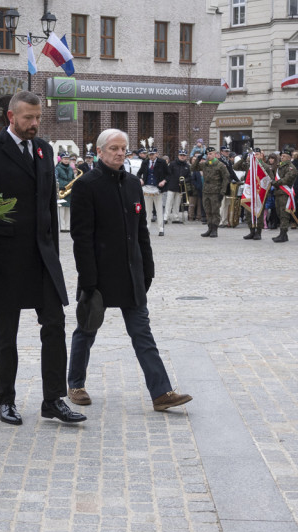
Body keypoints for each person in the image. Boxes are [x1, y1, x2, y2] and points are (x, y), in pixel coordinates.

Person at [0, 90, 86, 426]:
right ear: (11, 117)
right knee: (6, 332)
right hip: (4, 258)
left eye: (37, 118)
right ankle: (5, 400)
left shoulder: (44, 149)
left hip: (41, 258)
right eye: (27, 118)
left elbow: (49, 204)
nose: (34, 124)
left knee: (55, 324)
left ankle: (53, 400)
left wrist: (55, 255)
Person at [66, 128, 193, 412]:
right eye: (113, 148)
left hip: (131, 273)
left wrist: (148, 269)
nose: (120, 153)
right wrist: (87, 279)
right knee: (86, 331)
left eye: (123, 148)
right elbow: (81, 237)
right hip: (98, 273)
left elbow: (141, 233)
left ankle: (161, 393)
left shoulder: (134, 183)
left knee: (143, 335)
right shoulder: (86, 184)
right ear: (99, 152)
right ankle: (75, 384)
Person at [193, 147, 229, 237]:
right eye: (207, 154)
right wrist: (198, 158)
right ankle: (209, 229)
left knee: (215, 211)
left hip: (216, 192)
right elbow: (192, 168)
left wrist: (222, 191)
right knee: (208, 211)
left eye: (210, 154)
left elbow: (226, 178)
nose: (209, 156)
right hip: (206, 191)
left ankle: (214, 230)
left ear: (215, 154)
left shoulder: (220, 165)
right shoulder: (205, 164)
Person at [163, 149, 190, 232]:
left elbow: (189, 177)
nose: (182, 157)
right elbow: (168, 174)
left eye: (184, 155)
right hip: (171, 186)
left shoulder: (187, 166)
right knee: (168, 203)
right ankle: (165, 218)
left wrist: (184, 180)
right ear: (178, 156)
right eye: (181, 155)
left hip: (180, 187)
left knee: (177, 203)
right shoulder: (172, 164)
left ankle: (176, 217)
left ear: (186, 157)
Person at [55, 154, 75, 234]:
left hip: (69, 190)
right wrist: (61, 186)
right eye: (64, 159)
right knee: (62, 209)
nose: (66, 160)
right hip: (61, 190)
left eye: (67, 159)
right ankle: (62, 227)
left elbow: (73, 178)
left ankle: (67, 227)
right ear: (61, 160)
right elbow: (56, 178)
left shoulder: (70, 169)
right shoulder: (57, 168)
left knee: (68, 209)